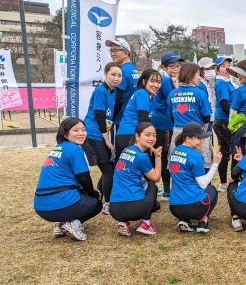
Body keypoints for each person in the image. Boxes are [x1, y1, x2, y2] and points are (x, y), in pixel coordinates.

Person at [34, 118, 102, 241]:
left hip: (41, 207)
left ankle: (59, 225)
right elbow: (84, 178)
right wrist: (94, 193)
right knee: (97, 203)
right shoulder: (75, 149)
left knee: (80, 192)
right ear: (65, 134)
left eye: (83, 130)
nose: (81, 133)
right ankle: (73, 225)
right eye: (76, 130)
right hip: (60, 203)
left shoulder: (57, 147)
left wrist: (88, 189)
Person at [82, 62, 122, 215]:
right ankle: (108, 204)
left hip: (100, 134)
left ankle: (98, 198)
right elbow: (99, 117)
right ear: (105, 74)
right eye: (113, 74)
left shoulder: (112, 91)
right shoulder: (101, 91)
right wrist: (106, 140)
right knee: (108, 171)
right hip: (94, 134)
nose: (116, 78)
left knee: (108, 169)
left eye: (119, 75)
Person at [110, 123, 163, 236]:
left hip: (114, 209)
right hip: (134, 208)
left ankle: (123, 222)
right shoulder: (142, 157)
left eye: (154, 135)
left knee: (141, 183)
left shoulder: (126, 150)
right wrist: (158, 157)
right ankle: (146, 223)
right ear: (137, 136)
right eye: (147, 135)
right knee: (152, 185)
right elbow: (156, 178)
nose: (152, 138)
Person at [169, 122, 222, 233]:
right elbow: (203, 184)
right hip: (195, 206)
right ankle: (203, 221)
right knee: (211, 190)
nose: (202, 141)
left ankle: (184, 220)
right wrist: (215, 163)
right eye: (198, 138)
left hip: (174, 207)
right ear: (188, 138)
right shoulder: (196, 156)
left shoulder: (174, 151)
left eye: (202, 138)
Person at [167, 63, 213, 176]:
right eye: (198, 75)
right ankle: (204, 191)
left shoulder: (172, 94)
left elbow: (171, 116)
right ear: (190, 75)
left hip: (179, 133)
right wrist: (202, 133)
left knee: (179, 164)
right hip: (198, 133)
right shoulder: (200, 93)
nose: (199, 78)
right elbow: (206, 117)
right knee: (203, 165)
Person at [151, 52, 183, 200]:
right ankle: (167, 191)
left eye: (178, 65)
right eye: (172, 66)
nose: (176, 68)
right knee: (165, 156)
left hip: (159, 122)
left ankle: (165, 190)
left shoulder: (163, 79)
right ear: (164, 66)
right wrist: (177, 89)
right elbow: (173, 100)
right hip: (165, 124)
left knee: (162, 155)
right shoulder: (165, 81)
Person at [115, 69, 161, 159]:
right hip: (131, 137)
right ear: (144, 81)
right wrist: (149, 142)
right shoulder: (142, 93)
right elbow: (143, 120)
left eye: (158, 82)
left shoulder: (142, 94)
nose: (156, 85)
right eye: (152, 81)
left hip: (124, 135)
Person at [105, 38, 139, 133]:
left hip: (119, 120)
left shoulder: (122, 71)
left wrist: (111, 118)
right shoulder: (133, 69)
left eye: (116, 50)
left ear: (126, 53)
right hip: (130, 119)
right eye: (111, 50)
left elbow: (119, 99)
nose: (112, 54)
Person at [212, 57, 235, 192]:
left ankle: (223, 184)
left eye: (229, 65)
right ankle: (232, 179)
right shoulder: (221, 83)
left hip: (222, 121)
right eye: (223, 66)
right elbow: (224, 104)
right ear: (217, 70)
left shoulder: (228, 82)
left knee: (225, 152)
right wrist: (234, 121)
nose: (227, 68)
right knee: (234, 149)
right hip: (224, 121)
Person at [197, 57, 215, 138]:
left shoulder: (205, 83)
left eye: (212, 68)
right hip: (203, 120)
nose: (211, 71)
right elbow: (204, 105)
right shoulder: (200, 84)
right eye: (208, 69)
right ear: (201, 70)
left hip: (208, 119)